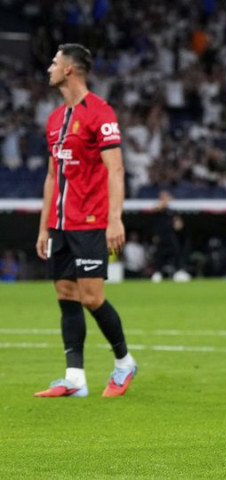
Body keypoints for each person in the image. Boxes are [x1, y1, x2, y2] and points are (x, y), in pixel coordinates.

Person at [34, 43, 137, 398]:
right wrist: (44, 226)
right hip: (61, 224)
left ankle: (124, 362)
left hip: (91, 221)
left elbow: (116, 169)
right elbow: (52, 176)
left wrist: (114, 219)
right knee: (66, 294)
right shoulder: (54, 119)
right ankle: (75, 378)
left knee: (92, 298)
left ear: (69, 70)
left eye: (54, 62)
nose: (49, 68)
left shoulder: (100, 113)